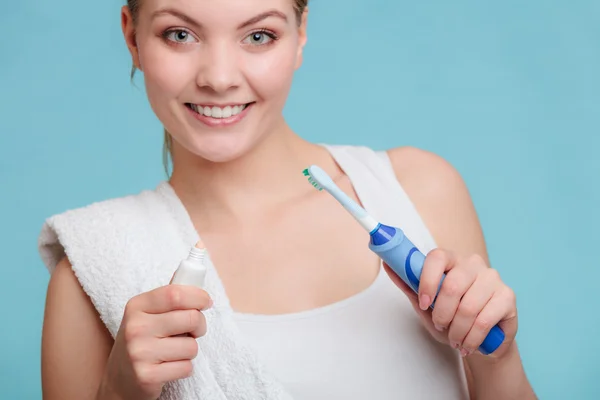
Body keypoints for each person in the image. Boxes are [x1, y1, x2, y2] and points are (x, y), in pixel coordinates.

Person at [40, 0, 537, 399]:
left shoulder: (421, 189)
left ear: (300, 35)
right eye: (180, 34)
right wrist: (120, 393)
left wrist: (498, 358)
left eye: (259, 35)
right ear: (132, 36)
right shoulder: (92, 269)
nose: (218, 76)